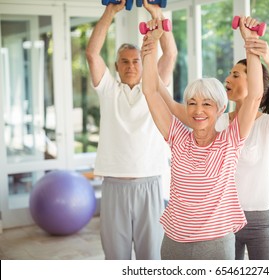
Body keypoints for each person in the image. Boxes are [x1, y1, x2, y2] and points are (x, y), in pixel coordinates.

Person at [141, 16, 263, 260]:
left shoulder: (230, 141)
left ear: (220, 109)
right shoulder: (177, 136)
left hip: (216, 244)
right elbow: (150, 92)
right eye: (192, 103)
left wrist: (251, 44)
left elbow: (254, 96)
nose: (198, 111)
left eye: (207, 104)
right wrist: (150, 47)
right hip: (174, 242)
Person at [85, 0, 177, 260]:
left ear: (143, 63)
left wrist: (157, 13)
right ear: (116, 67)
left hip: (149, 183)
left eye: (136, 61)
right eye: (124, 62)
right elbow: (92, 54)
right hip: (114, 184)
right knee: (116, 258)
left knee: (151, 257)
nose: (131, 66)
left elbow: (169, 55)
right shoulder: (108, 90)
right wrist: (110, 11)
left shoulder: (154, 88)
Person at [215, 39, 269, 259]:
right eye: (229, 74)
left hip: (262, 222)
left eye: (236, 75)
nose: (227, 79)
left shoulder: (268, 125)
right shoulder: (218, 123)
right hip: (224, 219)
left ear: (255, 82)